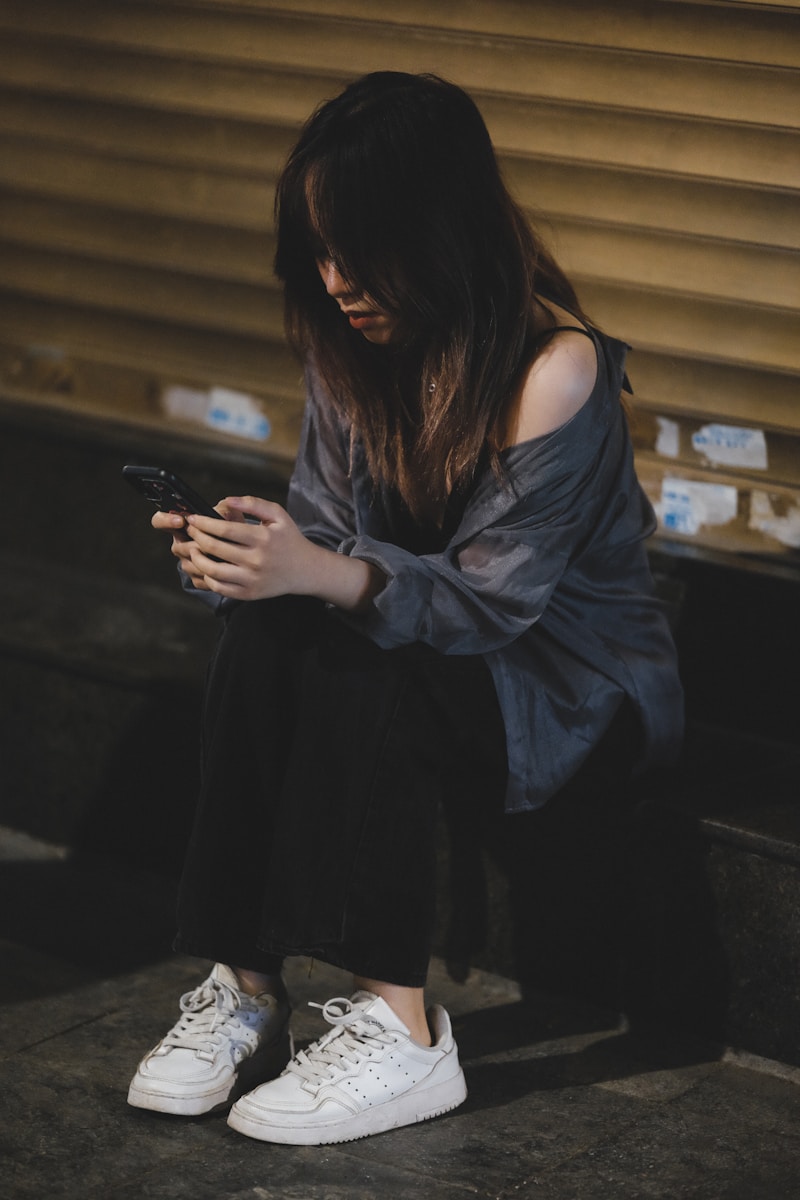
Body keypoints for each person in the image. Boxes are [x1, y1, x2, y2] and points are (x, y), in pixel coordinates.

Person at [127, 71, 683, 1145]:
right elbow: (327, 535)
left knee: (366, 644)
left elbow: (493, 607)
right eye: (321, 251)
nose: (337, 282)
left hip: (568, 688)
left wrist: (325, 574)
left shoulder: (554, 367)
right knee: (277, 621)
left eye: (363, 249)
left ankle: (402, 1027)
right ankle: (244, 985)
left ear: (441, 229)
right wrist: (244, 561)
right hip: (437, 660)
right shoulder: (345, 345)